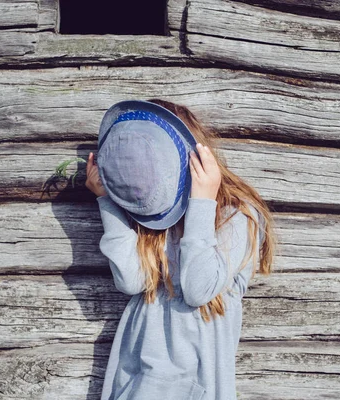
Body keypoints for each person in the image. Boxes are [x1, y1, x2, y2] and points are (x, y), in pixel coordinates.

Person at [85, 98, 276, 400]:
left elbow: (199, 289)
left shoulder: (236, 215)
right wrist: (108, 201)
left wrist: (202, 202)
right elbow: (131, 280)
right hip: (140, 373)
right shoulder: (154, 215)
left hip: (195, 377)